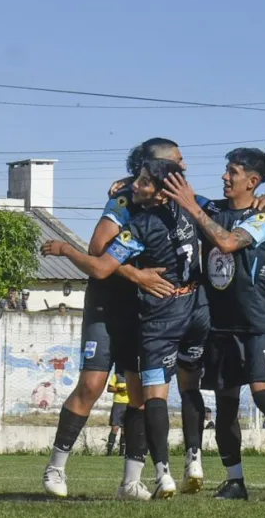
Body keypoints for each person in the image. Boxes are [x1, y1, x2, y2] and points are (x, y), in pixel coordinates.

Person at [42, 157, 208, 500]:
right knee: (92, 384)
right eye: (177, 159)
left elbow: (220, 211)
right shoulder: (122, 201)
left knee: (140, 395)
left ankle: (131, 481)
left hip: (146, 310)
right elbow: (98, 252)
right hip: (108, 304)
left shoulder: (182, 204)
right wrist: (134, 274)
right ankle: (55, 467)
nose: (183, 164)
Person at [164, 148, 265, 502]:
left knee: (263, 393)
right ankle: (235, 480)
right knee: (226, 403)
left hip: (255, 323)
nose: (225, 177)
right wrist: (128, 181)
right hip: (219, 325)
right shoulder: (213, 208)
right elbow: (169, 190)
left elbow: (227, 243)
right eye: (226, 171)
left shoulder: (263, 219)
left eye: (232, 172)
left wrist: (193, 208)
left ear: (253, 181)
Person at [106, 371, 129, 455]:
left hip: (129, 404)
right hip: (118, 404)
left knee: (124, 429)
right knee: (115, 428)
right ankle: (109, 452)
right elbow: (109, 388)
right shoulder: (116, 376)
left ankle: (122, 453)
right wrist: (120, 389)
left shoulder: (133, 375)